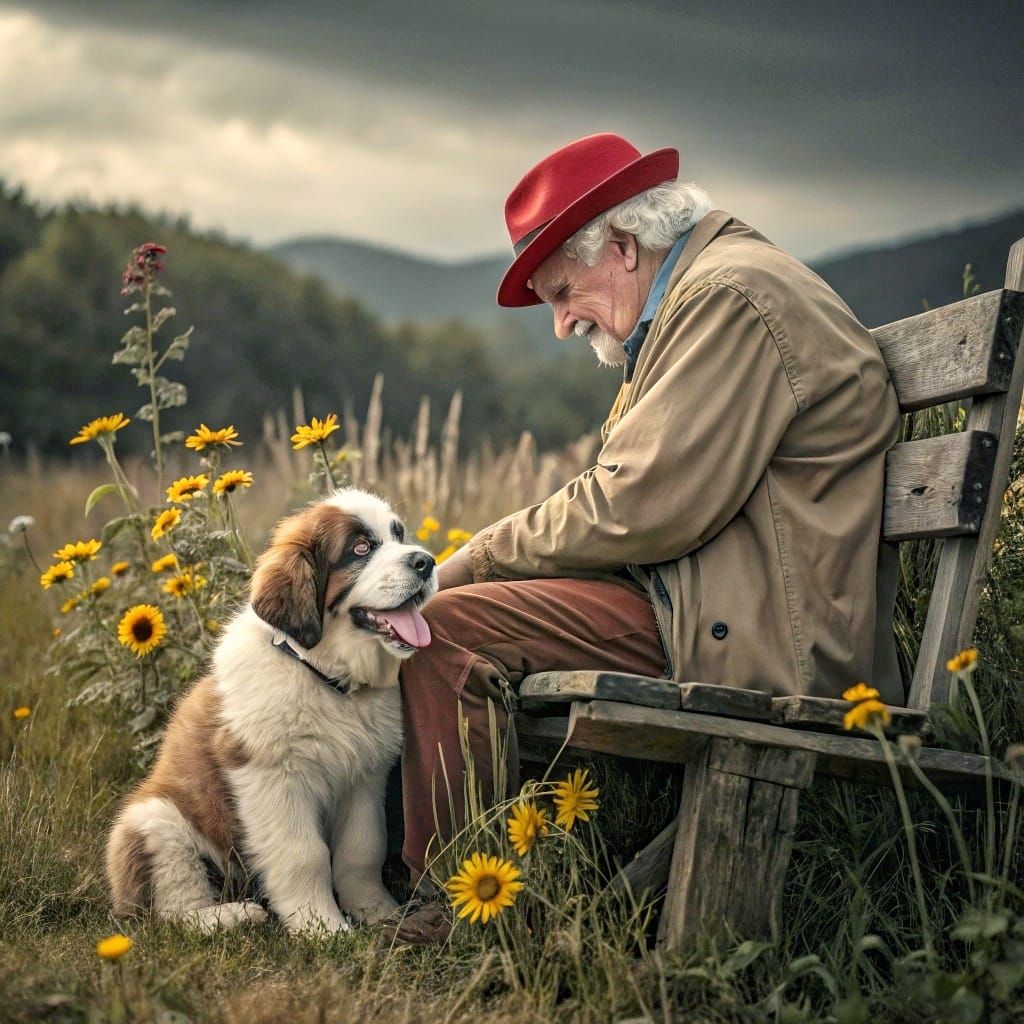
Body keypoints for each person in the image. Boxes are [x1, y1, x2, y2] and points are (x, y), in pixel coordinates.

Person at [386, 132, 901, 944]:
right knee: (453, 618)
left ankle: (458, 912)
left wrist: (470, 561)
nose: (559, 325)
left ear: (622, 247)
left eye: (563, 292)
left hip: (765, 644)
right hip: (697, 603)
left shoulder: (730, 298)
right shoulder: (693, 304)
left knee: (449, 623)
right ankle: (442, 888)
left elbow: (637, 505)